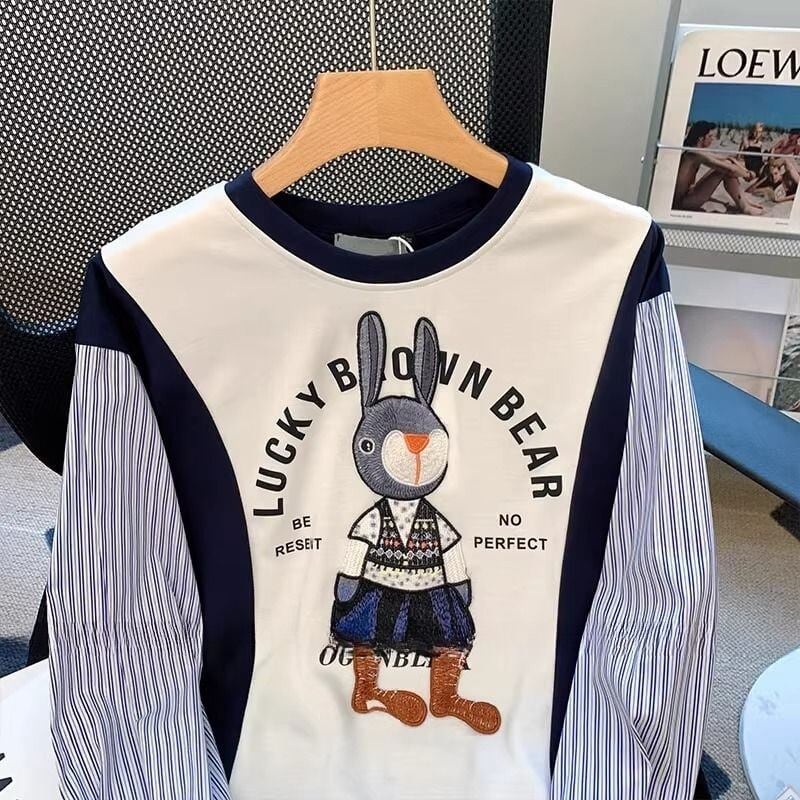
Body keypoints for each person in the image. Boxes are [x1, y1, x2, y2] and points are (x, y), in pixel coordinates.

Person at [673, 121, 763, 215]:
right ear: (701, 138)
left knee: (725, 165)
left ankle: (744, 202)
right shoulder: (694, 154)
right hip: (682, 203)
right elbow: (730, 169)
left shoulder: (695, 150)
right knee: (724, 170)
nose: (712, 139)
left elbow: (726, 158)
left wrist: (746, 171)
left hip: (689, 193)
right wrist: (747, 175)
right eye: (710, 136)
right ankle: (744, 206)